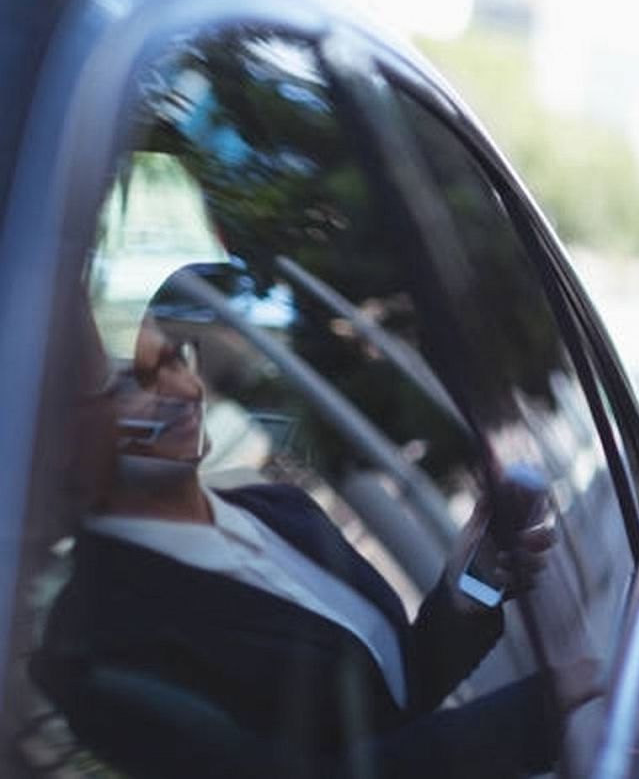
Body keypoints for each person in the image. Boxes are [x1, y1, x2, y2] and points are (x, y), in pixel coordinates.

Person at [31, 283, 588, 779]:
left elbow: (396, 694)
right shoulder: (92, 644)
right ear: (49, 434)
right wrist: (539, 715)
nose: (177, 388)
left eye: (172, 358)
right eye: (128, 383)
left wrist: (476, 583)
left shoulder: (276, 506)